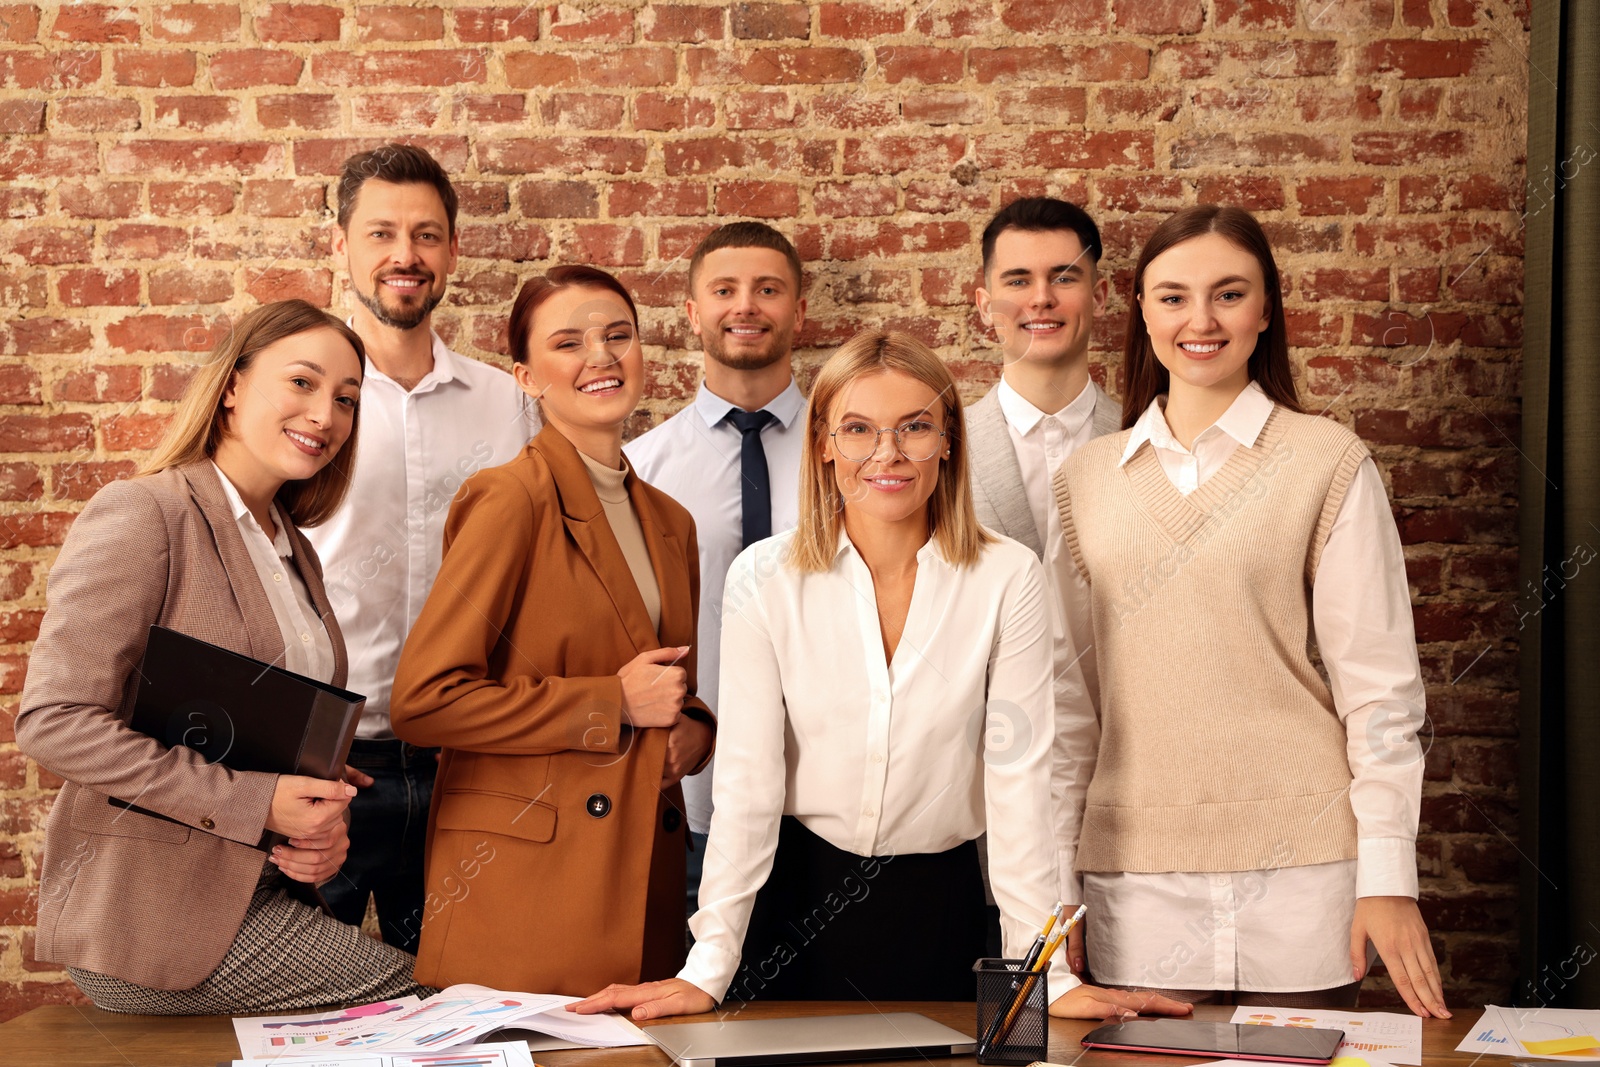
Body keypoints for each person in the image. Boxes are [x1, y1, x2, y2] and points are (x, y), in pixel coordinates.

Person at [574, 330, 1192, 1022]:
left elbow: (1021, 783)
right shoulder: (765, 578)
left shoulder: (1007, 575)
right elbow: (747, 783)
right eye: (859, 430)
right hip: (792, 902)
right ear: (823, 444)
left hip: (943, 905)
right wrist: (709, 964)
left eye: (915, 428)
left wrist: (1042, 972)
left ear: (950, 439)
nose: (887, 454)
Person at [1051, 204, 1449, 1016]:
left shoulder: (1328, 461)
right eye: (1173, 297)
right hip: (1136, 871)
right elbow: (1067, 711)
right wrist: (1057, 895)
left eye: (1228, 294)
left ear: (1266, 310)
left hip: (1306, 872)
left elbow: (1380, 693)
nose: (1200, 320)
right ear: (1140, 311)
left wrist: (1387, 878)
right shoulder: (1084, 481)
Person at [15, 300, 432, 1013]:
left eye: (345, 399)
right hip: (154, 920)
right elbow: (54, 720)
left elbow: (259, 735)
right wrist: (256, 802)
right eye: (301, 382)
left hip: (267, 895)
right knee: (423, 998)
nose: (325, 415)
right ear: (232, 386)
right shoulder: (148, 513)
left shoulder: (292, 548)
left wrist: (321, 826)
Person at [390, 266, 716, 996]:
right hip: (531, 886)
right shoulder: (509, 499)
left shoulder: (671, 521)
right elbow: (424, 700)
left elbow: (664, 683)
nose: (600, 356)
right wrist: (610, 704)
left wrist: (697, 731)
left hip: (639, 869)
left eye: (618, 336)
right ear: (526, 377)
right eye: (568, 342)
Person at [304, 144, 539, 954]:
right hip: (321, 761)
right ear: (339, 247)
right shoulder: (303, 400)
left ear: (451, 251)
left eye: (426, 235)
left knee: (456, 1000)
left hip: (464, 762)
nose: (405, 255)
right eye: (380, 234)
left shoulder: (508, 404)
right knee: (300, 1007)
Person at [624, 222, 807, 916]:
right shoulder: (643, 469)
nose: (747, 306)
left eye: (768, 289)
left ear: (798, 309)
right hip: (699, 791)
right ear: (694, 313)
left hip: (827, 788)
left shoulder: (847, 456)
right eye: (724, 290)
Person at [966, 197, 1118, 972]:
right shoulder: (935, 452)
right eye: (1018, 279)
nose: (1042, 299)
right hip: (983, 816)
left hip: (1131, 803)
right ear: (983, 299)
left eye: (1065, 277)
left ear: (1099, 292)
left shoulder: (1150, 440)